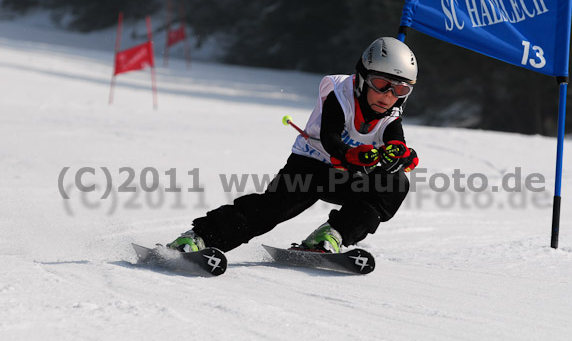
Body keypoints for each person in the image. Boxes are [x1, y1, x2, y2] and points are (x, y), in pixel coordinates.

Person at [167, 37, 419, 254]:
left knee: (395, 184)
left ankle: (332, 235)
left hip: (349, 177)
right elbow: (331, 139)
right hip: (310, 168)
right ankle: (199, 238)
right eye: (381, 84)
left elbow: (396, 142)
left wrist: (401, 156)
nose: (389, 95)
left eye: (400, 89)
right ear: (363, 77)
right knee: (269, 211)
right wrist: (350, 154)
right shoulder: (341, 96)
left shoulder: (391, 112)